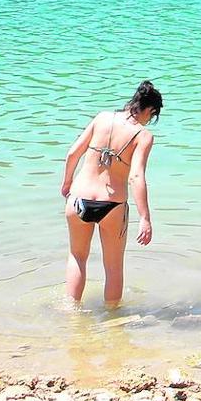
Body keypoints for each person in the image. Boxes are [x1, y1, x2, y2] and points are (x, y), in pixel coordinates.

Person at [60, 81, 161, 306]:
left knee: (77, 257)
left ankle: (71, 311)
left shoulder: (102, 117)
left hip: (79, 198)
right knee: (113, 266)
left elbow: (73, 153)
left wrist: (67, 183)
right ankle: (113, 317)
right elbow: (136, 176)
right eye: (152, 116)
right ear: (150, 110)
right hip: (112, 206)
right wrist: (145, 218)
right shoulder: (143, 136)